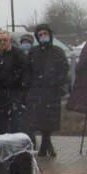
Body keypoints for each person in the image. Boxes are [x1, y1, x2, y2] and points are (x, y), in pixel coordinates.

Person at [26, 24, 69, 157]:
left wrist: (57, 81)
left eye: (45, 34)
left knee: (49, 121)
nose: (43, 36)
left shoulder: (58, 51)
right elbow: (28, 70)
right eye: (40, 35)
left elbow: (64, 69)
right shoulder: (34, 52)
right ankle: (46, 145)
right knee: (39, 120)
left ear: (50, 35)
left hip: (52, 91)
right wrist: (32, 83)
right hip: (37, 91)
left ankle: (45, 145)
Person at [0, 31, 27, 136]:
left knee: (15, 123)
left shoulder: (18, 54)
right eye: (0, 40)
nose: (2, 42)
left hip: (14, 93)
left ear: (10, 41)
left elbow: (24, 72)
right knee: (0, 124)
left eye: (5, 40)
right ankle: (1, 146)